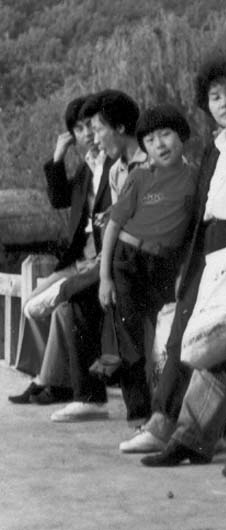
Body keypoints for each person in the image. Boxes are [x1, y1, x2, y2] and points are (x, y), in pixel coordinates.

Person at [134, 55, 226, 462]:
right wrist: (187, 264)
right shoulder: (215, 146)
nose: (224, 103)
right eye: (215, 97)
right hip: (208, 247)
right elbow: (199, 210)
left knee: (220, 340)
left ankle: (190, 436)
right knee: (184, 335)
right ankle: (167, 424)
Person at [49, 90, 149, 423]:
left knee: (79, 294)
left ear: (118, 127)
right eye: (84, 129)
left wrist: (105, 271)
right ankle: (89, 396)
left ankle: (141, 410)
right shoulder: (115, 168)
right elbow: (68, 203)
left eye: (96, 128)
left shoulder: (142, 163)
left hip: (141, 258)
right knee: (76, 297)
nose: (93, 137)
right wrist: (104, 274)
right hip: (113, 258)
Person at [93, 104, 196, 424]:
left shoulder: (196, 178)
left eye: (166, 135)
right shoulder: (139, 177)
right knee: (131, 339)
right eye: (150, 140)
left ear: (181, 136)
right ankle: (138, 412)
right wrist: (105, 278)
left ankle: (169, 410)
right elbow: (113, 226)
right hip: (128, 260)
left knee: (168, 338)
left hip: (166, 265)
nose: (159, 145)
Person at [9, 94, 112, 405]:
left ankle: (50, 381)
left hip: (100, 260)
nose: (87, 134)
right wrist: (57, 158)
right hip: (79, 259)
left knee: (60, 306)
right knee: (31, 306)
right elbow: (59, 200)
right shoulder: (85, 168)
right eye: (79, 129)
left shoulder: (114, 163)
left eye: (91, 126)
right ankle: (57, 377)